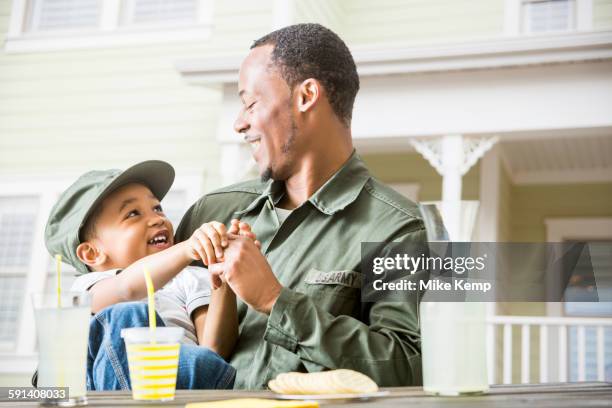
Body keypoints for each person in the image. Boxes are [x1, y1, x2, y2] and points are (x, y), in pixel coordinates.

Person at [175, 23, 426, 390]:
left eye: (250, 103)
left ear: (306, 95)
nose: (239, 122)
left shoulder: (403, 229)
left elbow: (411, 369)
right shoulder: (212, 212)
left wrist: (276, 301)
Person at [44, 160, 255, 390]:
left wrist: (223, 276)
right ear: (92, 253)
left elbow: (214, 349)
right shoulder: (91, 286)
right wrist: (185, 248)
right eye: (133, 213)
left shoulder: (191, 276)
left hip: (176, 380)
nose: (157, 219)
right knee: (129, 314)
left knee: (203, 361)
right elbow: (128, 287)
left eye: (157, 208)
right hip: (109, 381)